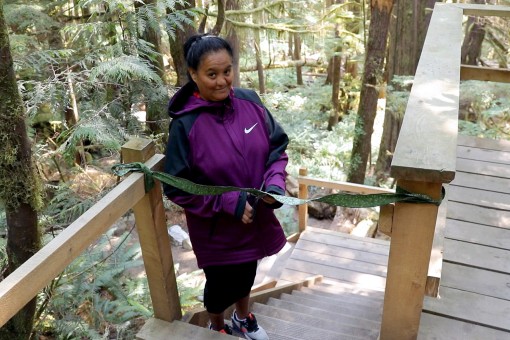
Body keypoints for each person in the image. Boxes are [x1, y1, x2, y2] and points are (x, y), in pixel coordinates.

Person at [163, 33, 289, 340]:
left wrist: (274, 184)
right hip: (215, 229)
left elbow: (277, 148)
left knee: (247, 274)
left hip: (254, 219)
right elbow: (176, 186)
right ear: (193, 74)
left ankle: (243, 319)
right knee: (219, 289)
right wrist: (226, 202)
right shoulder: (185, 125)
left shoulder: (251, 103)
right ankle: (217, 326)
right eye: (212, 74)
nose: (222, 81)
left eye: (227, 71)